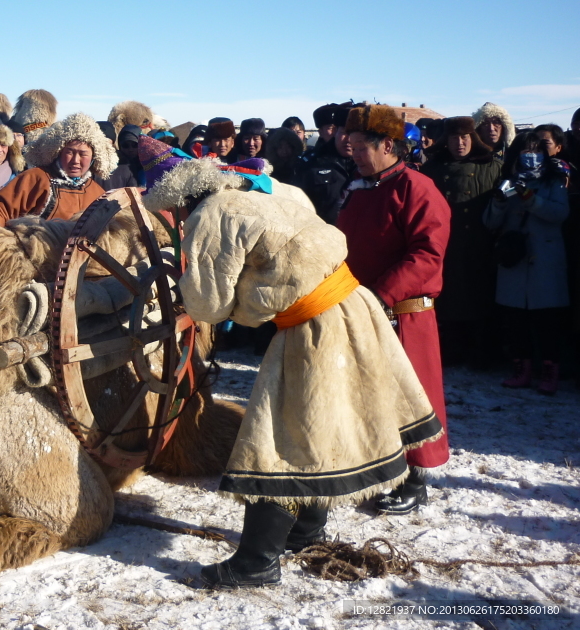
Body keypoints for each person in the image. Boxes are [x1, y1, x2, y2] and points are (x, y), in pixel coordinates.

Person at [140, 138, 443, 588]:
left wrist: (184, 285)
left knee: (279, 436)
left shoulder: (208, 216)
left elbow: (206, 303)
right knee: (312, 426)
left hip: (314, 324)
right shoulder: (264, 189)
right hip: (353, 303)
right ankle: (305, 530)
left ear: (179, 198)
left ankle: (256, 561)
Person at [336, 104, 451, 515]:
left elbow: (427, 254)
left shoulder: (417, 188)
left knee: (412, 395)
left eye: (360, 146)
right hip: (362, 309)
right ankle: (380, 465)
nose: (353, 153)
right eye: (349, 146)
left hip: (403, 314)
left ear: (388, 144)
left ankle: (416, 479)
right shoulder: (358, 189)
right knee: (371, 396)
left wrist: (379, 294)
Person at [483, 131, 570, 394]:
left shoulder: (555, 180)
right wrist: (499, 203)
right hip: (514, 262)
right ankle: (521, 370)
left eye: (535, 151)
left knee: (547, 323)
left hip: (545, 261)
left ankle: (549, 373)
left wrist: (532, 200)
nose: (529, 157)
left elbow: (560, 213)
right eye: (524, 151)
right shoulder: (506, 180)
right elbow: (489, 222)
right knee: (515, 321)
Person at [420, 117, 502, 367]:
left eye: (465, 137)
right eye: (455, 138)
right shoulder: (433, 169)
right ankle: (453, 351)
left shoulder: (494, 166)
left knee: (481, 300)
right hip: (448, 246)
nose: (460, 143)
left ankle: (483, 353)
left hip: (482, 244)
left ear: (473, 139)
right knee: (450, 301)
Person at [0, 112, 115, 228]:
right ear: (58, 151)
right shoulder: (36, 178)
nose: (76, 160)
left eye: (83, 154)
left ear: (93, 158)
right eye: (70, 152)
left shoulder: (97, 194)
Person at [297, 105, 357, 225]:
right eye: (344, 132)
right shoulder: (312, 165)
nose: (349, 139)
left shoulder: (370, 167)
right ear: (335, 132)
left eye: (354, 134)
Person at [105, 125, 144, 189]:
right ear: (120, 146)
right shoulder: (114, 166)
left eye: (135, 145)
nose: (130, 149)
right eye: (125, 145)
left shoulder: (149, 166)